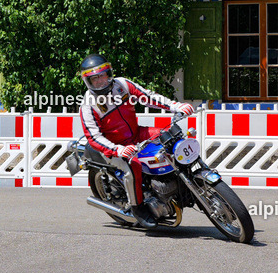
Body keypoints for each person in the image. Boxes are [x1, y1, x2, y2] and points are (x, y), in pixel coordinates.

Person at [77, 53, 194, 228]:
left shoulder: (122, 85)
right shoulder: (88, 105)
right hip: (115, 146)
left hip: (137, 133)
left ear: (109, 73)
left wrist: (176, 106)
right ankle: (138, 207)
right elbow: (94, 137)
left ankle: (188, 181)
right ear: (89, 82)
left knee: (171, 137)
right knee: (133, 167)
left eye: (102, 75)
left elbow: (148, 97)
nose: (100, 81)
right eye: (94, 79)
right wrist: (118, 150)